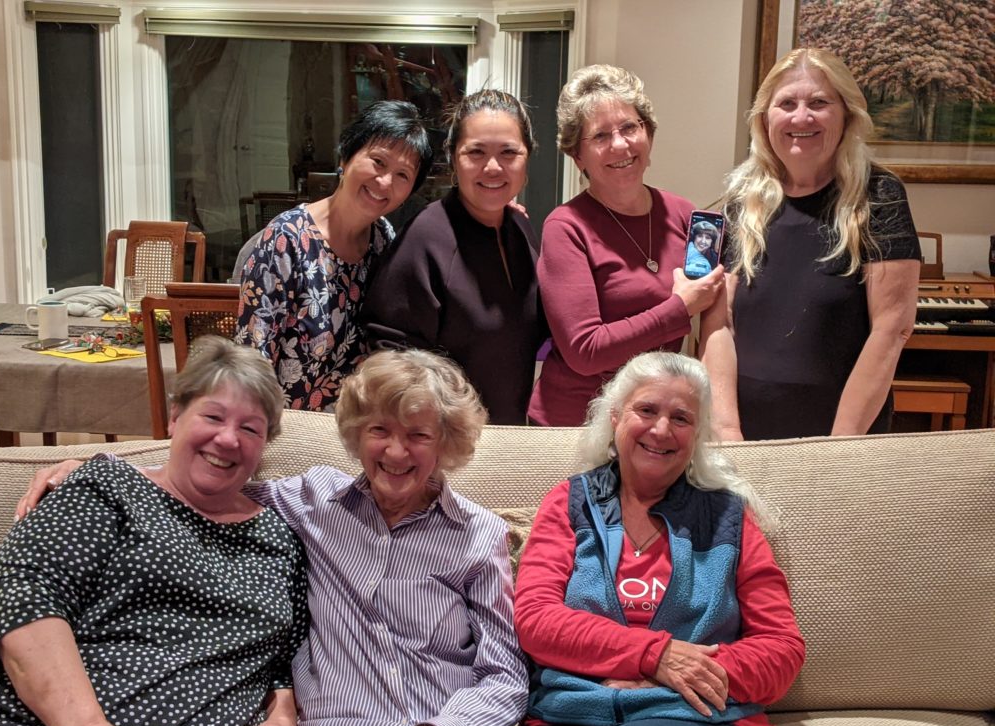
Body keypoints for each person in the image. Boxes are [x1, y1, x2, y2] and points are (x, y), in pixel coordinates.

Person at [16, 349, 527, 726]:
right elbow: (208, 476)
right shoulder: (312, 501)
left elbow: (505, 674)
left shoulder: (477, 535)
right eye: (380, 431)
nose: (396, 452)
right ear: (356, 433)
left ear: (446, 444)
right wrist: (93, 467)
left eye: (418, 435)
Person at [0, 337, 307, 726]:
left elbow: (284, 657)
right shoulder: (108, 488)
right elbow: (21, 598)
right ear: (175, 416)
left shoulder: (280, 539)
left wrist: (283, 715)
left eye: (250, 428)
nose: (227, 439)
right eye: (213, 416)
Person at [514, 351, 805, 726]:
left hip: (699, 718)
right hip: (570, 714)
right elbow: (537, 620)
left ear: (698, 433)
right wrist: (656, 655)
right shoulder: (569, 503)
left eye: (682, 418)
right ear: (615, 417)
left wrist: (668, 676)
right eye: (646, 410)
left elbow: (781, 649)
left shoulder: (728, 517)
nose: (661, 429)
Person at [700, 48, 921, 440]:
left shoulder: (879, 195)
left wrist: (840, 443)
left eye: (819, 103)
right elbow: (718, 324)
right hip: (744, 433)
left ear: (847, 114)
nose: (801, 117)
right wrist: (727, 431)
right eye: (787, 103)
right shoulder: (741, 200)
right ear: (765, 117)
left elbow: (892, 328)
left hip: (842, 433)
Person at [527, 64, 725, 427]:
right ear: (577, 156)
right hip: (576, 425)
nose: (620, 144)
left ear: (648, 133)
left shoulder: (685, 215)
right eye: (600, 136)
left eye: (630, 127)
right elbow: (585, 351)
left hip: (654, 422)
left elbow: (717, 316)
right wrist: (678, 309)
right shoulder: (566, 227)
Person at [361, 89, 546, 425]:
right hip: (447, 444)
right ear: (452, 158)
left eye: (508, 152)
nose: (492, 167)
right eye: (476, 152)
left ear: (527, 157)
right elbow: (392, 358)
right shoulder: (426, 237)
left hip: (508, 436)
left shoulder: (519, 227)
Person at [235, 100, 434, 412]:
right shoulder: (285, 241)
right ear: (346, 157)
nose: (385, 183)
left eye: (402, 175)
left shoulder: (384, 241)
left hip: (358, 431)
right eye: (378, 162)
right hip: (289, 431)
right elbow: (250, 362)